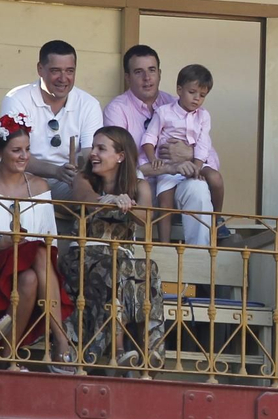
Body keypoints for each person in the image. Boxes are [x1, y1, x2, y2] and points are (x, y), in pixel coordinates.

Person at [0, 114, 75, 372]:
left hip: (34, 272)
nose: (24, 156)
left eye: (27, 150)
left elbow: (51, 241)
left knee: (33, 270)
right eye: (16, 150)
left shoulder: (40, 186)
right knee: (37, 251)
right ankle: (62, 344)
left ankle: (8, 354)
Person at [59, 126, 164, 370]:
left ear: (120, 156)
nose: (92, 153)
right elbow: (84, 199)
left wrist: (127, 204)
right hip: (84, 259)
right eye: (93, 147)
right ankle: (118, 351)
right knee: (115, 268)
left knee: (148, 268)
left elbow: (146, 220)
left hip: (121, 261)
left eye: (100, 149)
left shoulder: (140, 187)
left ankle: (150, 350)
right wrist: (108, 200)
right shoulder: (84, 179)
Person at [0, 40, 102, 200]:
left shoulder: (89, 104)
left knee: (91, 185)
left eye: (69, 71)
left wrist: (83, 169)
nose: (63, 78)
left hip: (67, 182)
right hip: (22, 177)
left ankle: (102, 212)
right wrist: (56, 171)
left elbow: (90, 153)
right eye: (56, 71)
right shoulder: (17, 99)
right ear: (40, 69)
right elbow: (13, 153)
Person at [140, 64, 223, 246]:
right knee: (165, 202)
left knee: (216, 179)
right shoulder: (164, 112)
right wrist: (153, 160)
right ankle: (163, 245)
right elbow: (149, 137)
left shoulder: (203, 116)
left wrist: (197, 166)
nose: (197, 99)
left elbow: (203, 143)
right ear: (179, 89)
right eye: (192, 92)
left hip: (195, 162)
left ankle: (217, 220)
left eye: (202, 95)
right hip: (169, 166)